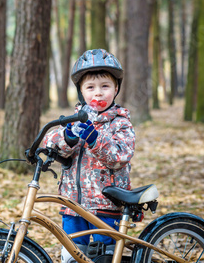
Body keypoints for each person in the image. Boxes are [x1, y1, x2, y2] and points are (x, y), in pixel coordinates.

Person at [42, 49, 135, 263]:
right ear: (81, 92)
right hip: (72, 204)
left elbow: (121, 154)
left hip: (106, 205)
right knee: (71, 254)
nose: (98, 93)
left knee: (103, 255)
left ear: (116, 88)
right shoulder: (75, 119)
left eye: (105, 86)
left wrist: (95, 139)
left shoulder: (120, 123)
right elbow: (51, 143)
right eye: (90, 87)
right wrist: (68, 137)